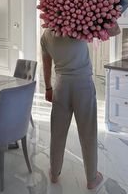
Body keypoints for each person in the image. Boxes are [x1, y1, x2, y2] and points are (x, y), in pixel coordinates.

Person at [41, 28, 103, 190]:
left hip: (61, 85)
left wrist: (48, 87)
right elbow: (113, 30)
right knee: (88, 132)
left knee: (57, 131)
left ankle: (54, 173)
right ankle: (91, 179)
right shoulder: (79, 26)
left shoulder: (46, 35)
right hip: (83, 85)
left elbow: (46, 65)